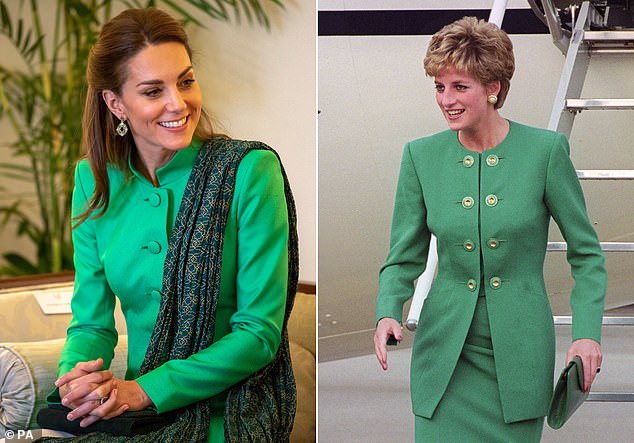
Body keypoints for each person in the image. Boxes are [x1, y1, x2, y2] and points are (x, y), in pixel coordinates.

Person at [38, 8, 298, 443]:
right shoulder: (92, 180)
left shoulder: (249, 170)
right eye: (152, 90)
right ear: (115, 102)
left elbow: (258, 333)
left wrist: (143, 390)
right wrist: (75, 379)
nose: (178, 103)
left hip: (229, 409)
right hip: (131, 413)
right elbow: (91, 326)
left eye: (186, 81)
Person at [374, 17, 606, 442]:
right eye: (439, 87)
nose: (446, 100)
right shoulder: (420, 157)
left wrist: (586, 334)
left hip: (518, 356)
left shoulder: (545, 152)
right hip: (444, 357)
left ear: (494, 87)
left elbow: (587, 254)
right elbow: (403, 256)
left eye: (460, 87)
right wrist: (388, 309)